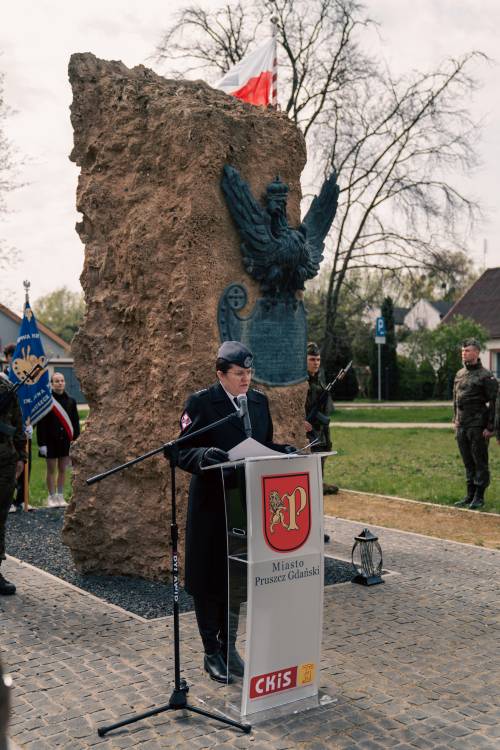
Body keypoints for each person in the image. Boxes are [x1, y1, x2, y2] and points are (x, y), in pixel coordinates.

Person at [177, 341, 295, 684]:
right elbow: (181, 450)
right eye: (239, 374)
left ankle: (229, 649)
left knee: (236, 579)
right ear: (221, 374)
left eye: (249, 373)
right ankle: (211, 653)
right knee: (208, 579)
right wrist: (202, 458)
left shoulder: (259, 403)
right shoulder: (201, 403)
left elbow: (261, 445)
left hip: (245, 505)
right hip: (211, 506)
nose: (246, 379)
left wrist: (283, 452)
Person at [453, 338, 498, 510]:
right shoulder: (459, 374)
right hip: (462, 424)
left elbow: (495, 403)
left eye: (468, 350)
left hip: (478, 425)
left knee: (480, 461)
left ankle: (479, 496)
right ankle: (470, 494)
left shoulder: (486, 376)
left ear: (477, 353)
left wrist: (491, 427)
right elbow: (455, 398)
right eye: (463, 351)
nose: (464, 353)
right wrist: (455, 418)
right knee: (467, 461)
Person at [36, 372, 80, 508]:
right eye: (56, 381)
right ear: (52, 384)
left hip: (65, 441)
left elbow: (75, 422)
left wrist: (76, 440)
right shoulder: (47, 400)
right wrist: (41, 443)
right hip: (50, 441)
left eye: (62, 380)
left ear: (64, 383)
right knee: (51, 469)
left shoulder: (71, 401)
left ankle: (60, 496)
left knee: (62, 469)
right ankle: (51, 496)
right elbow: (41, 424)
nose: (60, 383)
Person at [0, 370, 26, 595]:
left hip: (4, 463)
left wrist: (21, 457)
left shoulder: (8, 388)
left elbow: (18, 424)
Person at [304, 342, 338, 496]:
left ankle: (319, 481)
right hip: (307, 427)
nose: (316, 363)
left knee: (323, 451)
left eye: (318, 360)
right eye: (312, 359)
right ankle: (312, 483)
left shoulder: (318, 380)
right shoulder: (301, 382)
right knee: (312, 455)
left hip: (320, 427)